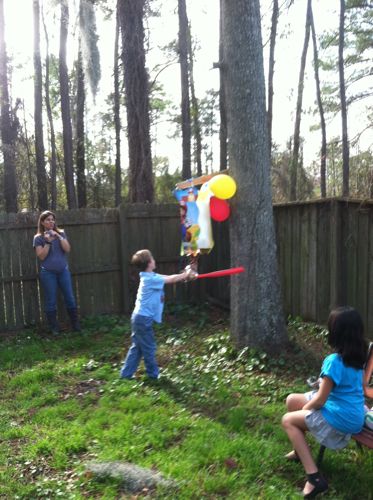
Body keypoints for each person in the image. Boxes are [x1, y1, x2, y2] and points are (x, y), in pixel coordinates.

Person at [282, 306, 368, 498]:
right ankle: (299, 452)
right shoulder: (359, 357)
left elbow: (320, 400)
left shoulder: (334, 361)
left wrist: (306, 410)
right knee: (291, 400)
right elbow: (349, 386)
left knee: (288, 420)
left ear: (335, 333)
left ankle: (314, 478)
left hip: (340, 417)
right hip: (354, 413)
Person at [120, 249, 197, 380]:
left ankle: (126, 374)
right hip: (143, 319)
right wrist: (186, 274)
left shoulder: (150, 276)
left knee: (137, 347)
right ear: (149, 263)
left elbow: (168, 277)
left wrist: (186, 274)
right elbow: (172, 279)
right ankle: (153, 376)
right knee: (149, 348)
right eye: (153, 259)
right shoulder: (150, 279)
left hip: (138, 318)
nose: (154, 260)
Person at [33, 210, 80, 334]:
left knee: (69, 297)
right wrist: (48, 242)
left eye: (52, 219)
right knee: (51, 300)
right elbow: (41, 256)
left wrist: (58, 237)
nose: (51, 221)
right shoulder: (38, 238)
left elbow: (67, 249)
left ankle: (75, 325)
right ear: (42, 222)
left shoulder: (61, 233)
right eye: (48, 219)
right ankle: (54, 328)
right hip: (48, 273)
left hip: (63, 271)